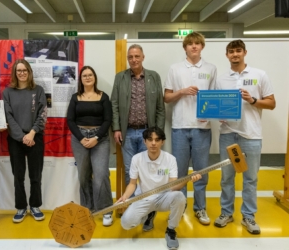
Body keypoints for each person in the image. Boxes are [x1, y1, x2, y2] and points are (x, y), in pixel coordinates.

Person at [214, 40, 276, 234]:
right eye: (231, 52)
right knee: (226, 178)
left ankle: (248, 216)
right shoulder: (221, 78)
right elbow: (216, 104)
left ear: (245, 53)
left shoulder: (259, 75)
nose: (235, 55)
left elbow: (272, 103)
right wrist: (218, 114)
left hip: (251, 135)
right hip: (227, 134)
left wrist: (252, 100)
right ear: (227, 55)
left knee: (250, 178)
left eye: (238, 51)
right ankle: (226, 212)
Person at [117, 127, 201, 250]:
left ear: (163, 142)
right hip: (144, 197)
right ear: (144, 141)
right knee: (126, 223)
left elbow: (174, 186)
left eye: (157, 140)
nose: (153, 143)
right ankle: (149, 214)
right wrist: (125, 197)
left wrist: (188, 178)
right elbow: (132, 184)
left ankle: (171, 230)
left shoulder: (170, 159)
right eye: (150, 140)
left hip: (163, 198)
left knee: (180, 197)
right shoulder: (137, 159)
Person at [163, 32, 216, 225]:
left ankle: (200, 208)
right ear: (185, 47)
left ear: (202, 46)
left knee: (201, 172)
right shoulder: (175, 69)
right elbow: (167, 97)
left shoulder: (211, 68)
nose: (194, 46)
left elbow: (215, 98)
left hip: (202, 127)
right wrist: (182, 91)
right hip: (179, 127)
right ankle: (180, 206)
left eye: (197, 43)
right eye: (190, 44)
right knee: (180, 173)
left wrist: (209, 109)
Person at [111, 44, 165, 187]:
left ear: (143, 57)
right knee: (130, 170)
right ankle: (132, 205)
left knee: (148, 170)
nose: (134, 60)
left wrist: (157, 133)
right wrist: (116, 128)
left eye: (137, 56)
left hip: (147, 133)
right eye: (130, 57)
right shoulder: (120, 78)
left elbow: (160, 107)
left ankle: (148, 206)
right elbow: (114, 105)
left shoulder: (154, 77)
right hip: (126, 132)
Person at [67, 65, 114, 226]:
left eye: (90, 75)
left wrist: (96, 137)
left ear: (94, 78)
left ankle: (106, 210)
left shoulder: (103, 96)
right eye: (84, 75)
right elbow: (70, 120)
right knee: (83, 175)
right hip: (79, 139)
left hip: (100, 139)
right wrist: (81, 138)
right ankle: (88, 208)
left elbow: (108, 120)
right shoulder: (75, 97)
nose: (87, 77)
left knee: (101, 175)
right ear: (81, 79)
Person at [3, 59, 47, 223]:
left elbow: (42, 114)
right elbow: (8, 116)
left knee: (36, 175)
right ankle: (21, 206)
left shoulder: (38, 90)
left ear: (29, 72)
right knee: (18, 175)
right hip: (15, 140)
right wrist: (22, 136)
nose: (21, 73)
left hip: (35, 137)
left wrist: (32, 133)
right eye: (18, 70)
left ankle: (35, 205)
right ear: (15, 73)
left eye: (24, 70)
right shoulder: (7, 92)